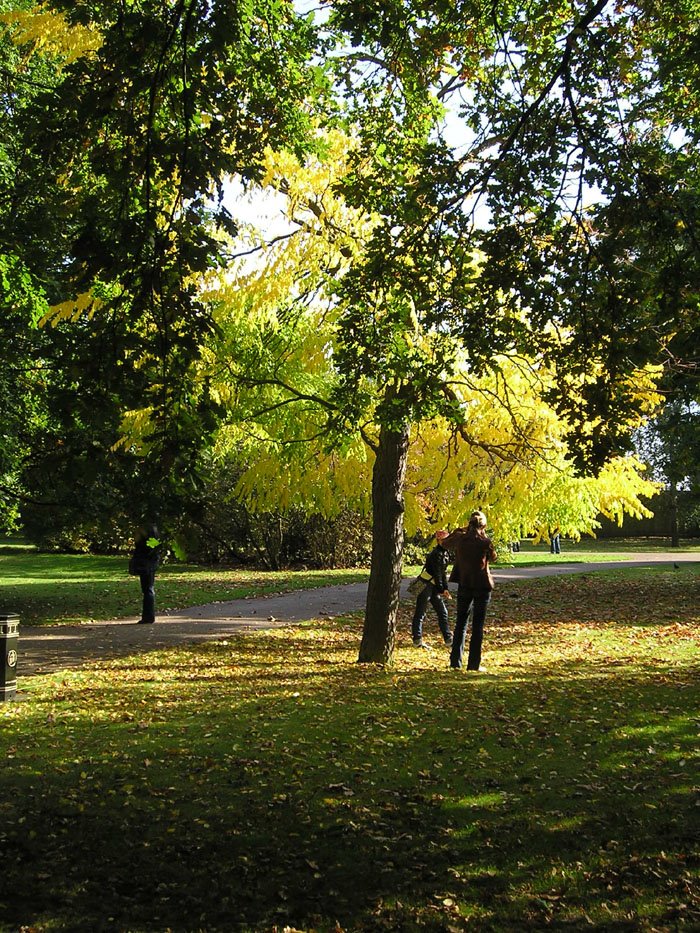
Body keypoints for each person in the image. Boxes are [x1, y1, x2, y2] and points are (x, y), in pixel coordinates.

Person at [442, 511, 497, 671]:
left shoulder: (460, 539)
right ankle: (474, 664)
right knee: (478, 625)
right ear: (484, 526)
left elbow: (445, 543)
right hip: (482, 585)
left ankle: (455, 662)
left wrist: (460, 530)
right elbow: (493, 557)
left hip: (464, 583)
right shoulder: (485, 542)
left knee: (461, 622)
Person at [411, 530, 453, 649]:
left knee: (442, 612)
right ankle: (417, 640)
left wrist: (444, 588)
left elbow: (443, 574)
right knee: (420, 613)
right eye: (444, 540)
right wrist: (442, 589)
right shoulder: (436, 554)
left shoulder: (445, 553)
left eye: (447, 540)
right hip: (426, 585)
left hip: (434, 586)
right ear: (438, 541)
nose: (446, 542)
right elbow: (437, 574)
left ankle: (448, 638)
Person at [130, 523, 161, 624]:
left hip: (147, 562)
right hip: (149, 561)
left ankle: (148, 616)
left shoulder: (148, 529)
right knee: (148, 589)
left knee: (148, 589)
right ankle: (148, 616)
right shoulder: (153, 529)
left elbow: (150, 547)